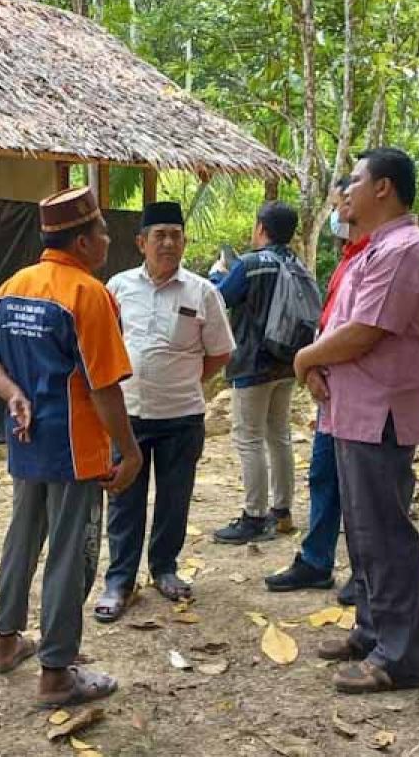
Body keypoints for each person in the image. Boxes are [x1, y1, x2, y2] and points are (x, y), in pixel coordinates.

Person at [0, 186, 142, 708]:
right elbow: (103, 387)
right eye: (104, 233)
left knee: (22, 537)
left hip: (27, 441)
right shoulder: (89, 295)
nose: (108, 240)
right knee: (71, 551)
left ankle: (6, 642)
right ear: (85, 241)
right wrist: (128, 450)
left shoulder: (13, 286)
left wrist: (13, 394)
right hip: (77, 448)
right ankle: (57, 672)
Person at [296, 148, 419, 694]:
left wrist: (306, 360)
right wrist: (316, 365)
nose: (344, 192)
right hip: (352, 411)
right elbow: (339, 320)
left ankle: (398, 657)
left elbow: (366, 331)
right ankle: (373, 630)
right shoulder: (369, 251)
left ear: (383, 188)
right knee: (362, 532)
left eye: (354, 181)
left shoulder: (403, 250)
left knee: (385, 533)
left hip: (380, 412)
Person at [93, 201, 234, 621]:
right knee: (124, 499)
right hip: (128, 416)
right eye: (160, 235)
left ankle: (164, 569)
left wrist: (185, 381)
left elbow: (219, 353)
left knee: (175, 498)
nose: (168, 242)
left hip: (182, 418)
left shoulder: (203, 292)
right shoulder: (116, 288)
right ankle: (120, 580)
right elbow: (106, 347)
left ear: (184, 241)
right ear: (141, 242)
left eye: (176, 234)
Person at [266, 180, 363, 604]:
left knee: (361, 488)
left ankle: (366, 573)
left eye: (343, 204)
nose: (340, 214)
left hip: (360, 397)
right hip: (331, 393)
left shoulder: (383, 257)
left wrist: (307, 361)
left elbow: (363, 331)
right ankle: (316, 560)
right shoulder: (348, 258)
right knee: (324, 475)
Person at [209, 201, 306, 544]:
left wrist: (217, 274)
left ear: (261, 228)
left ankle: (253, 516)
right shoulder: (296, 263)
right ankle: (282, 512)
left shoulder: (250, 264)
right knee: (278, 433)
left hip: (252, 364)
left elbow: (218, 300)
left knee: (248, 438)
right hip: (287, 362)